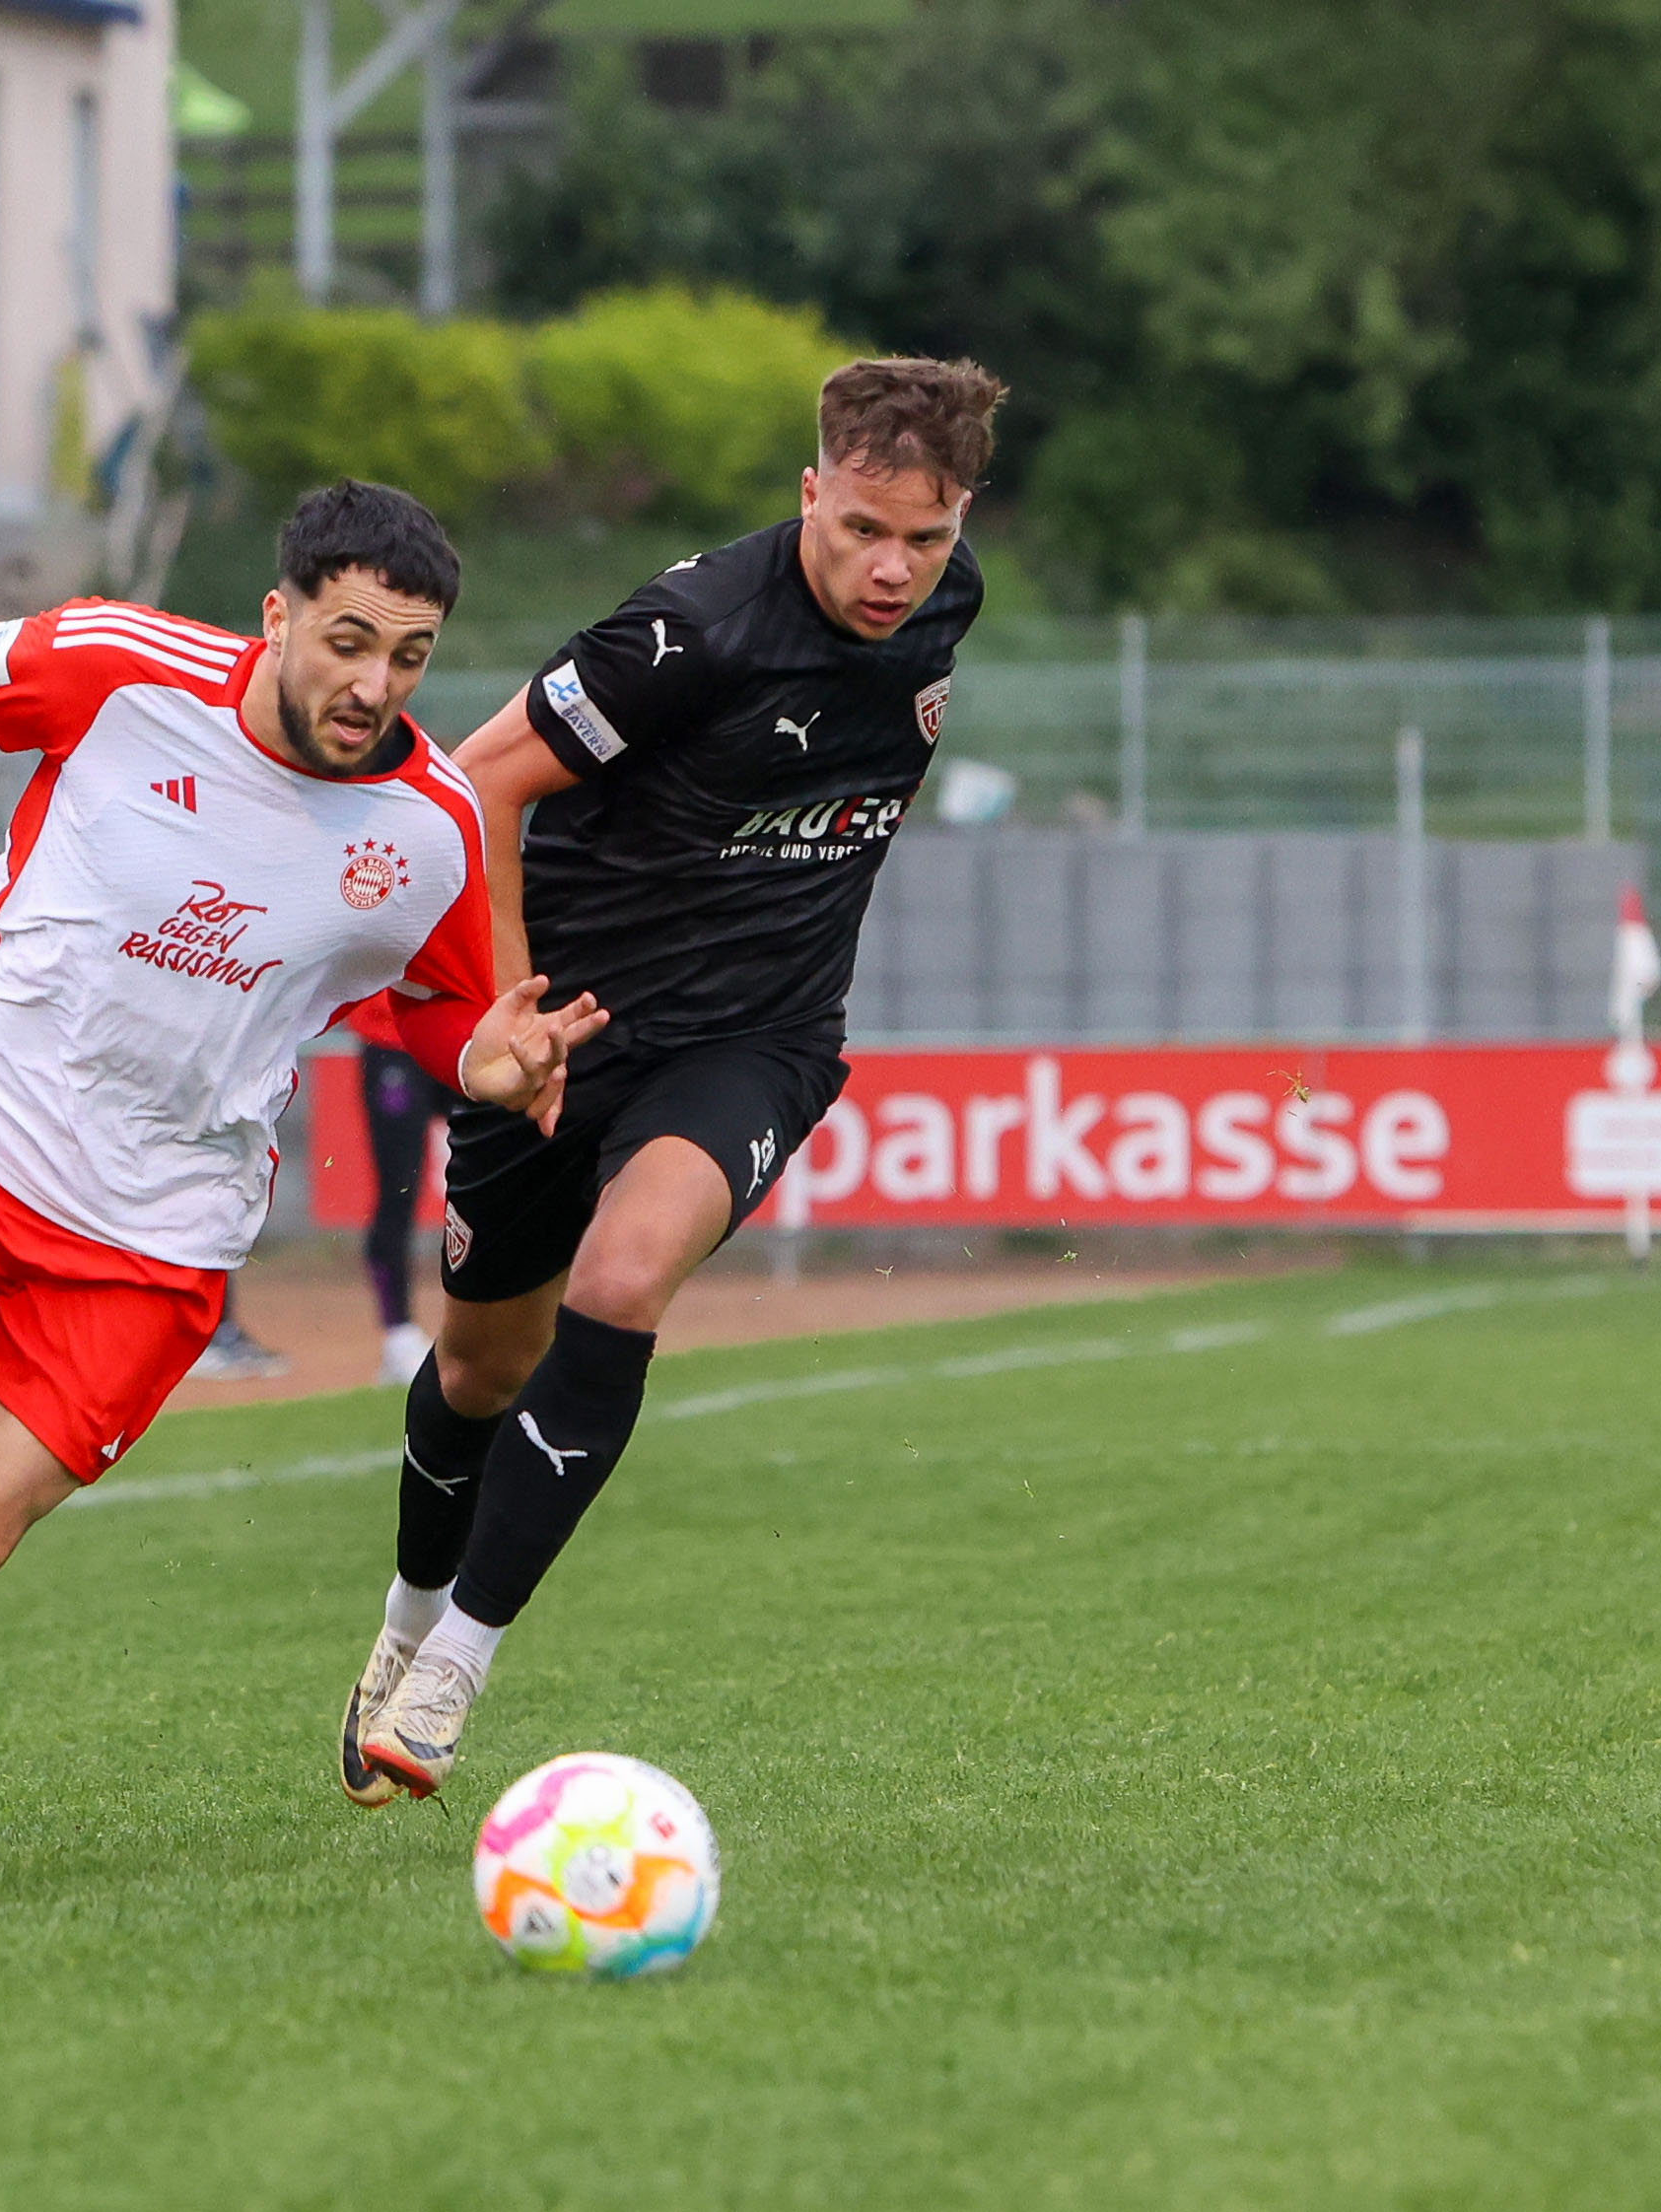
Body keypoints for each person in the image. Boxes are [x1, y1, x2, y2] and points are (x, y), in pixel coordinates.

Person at [0, 480, 603, 1871]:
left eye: (406, 656)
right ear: (275, 617)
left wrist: (486, 1065)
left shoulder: (430, 827)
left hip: (158, 1228)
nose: (370, 683)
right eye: (343, 639)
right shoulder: (113, 668)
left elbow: (445, 1017)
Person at [340, 357, 1007, 1803]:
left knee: (625, 1280)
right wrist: (507, 1014)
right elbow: (476, 780)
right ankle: (399, 1627)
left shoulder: (948, 610)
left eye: (927, 538)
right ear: (809, 492)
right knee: (474, 1372)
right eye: (862, 532)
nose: (894, 571)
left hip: (757, 1039)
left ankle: (455, 1666)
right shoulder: (687, 631)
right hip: (567, 1030)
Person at [344, 994, 450, 1386]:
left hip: (461, 1036)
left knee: (503, 1176)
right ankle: (398, 1334)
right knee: (397, 1192)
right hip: (392, 1042)